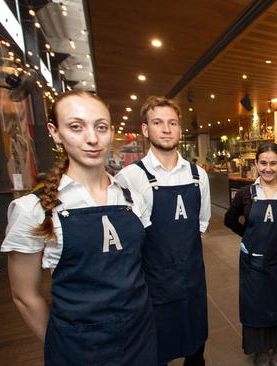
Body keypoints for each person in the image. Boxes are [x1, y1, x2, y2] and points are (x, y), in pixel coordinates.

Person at [1, 90, 157, 365]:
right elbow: (24, 296)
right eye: (76, 127)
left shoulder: (132, 196)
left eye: (101, 127)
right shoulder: (34, 209)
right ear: (55, 131)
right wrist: (63, 345)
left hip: (140, 337)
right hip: (79, 348)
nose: (92, 139)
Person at [115, 96, 210, 366]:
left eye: (172, 123)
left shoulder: (197, 175)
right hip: (153, 283)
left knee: (196, 348)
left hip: (192, 277)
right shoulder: (129, 177)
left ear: (180, 129)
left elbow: (200, 226)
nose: (166, 129)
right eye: (158, 123)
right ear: (146, 130)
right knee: (156, 350)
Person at [224, 142, 277, 366]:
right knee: (256, 303)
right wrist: (248, 235)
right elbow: (229, 219)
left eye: (273, 163)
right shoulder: (245, 194)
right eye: (263, 163)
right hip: (253, 262)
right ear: (256, 164)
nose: (268, 168)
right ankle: (260, 349)